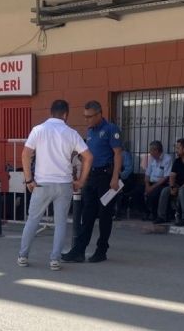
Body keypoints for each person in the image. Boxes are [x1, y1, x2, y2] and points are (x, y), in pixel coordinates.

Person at [18, 100, 93, 270]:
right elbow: (88, 157)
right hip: (64, 184)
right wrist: (81, 181)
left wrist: (29, 179)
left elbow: (26, 154)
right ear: (65, 114)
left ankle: (23, 256)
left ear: (51, 112)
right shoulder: (71, 133)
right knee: (61, 223)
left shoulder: (38, 130)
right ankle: (55, 260)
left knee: (32, 220)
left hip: (42, 183)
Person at [62, 101, 123, 264]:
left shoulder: (111, 129)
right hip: (92, 177)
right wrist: (83, 177)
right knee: (87, 214)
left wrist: (115, 177)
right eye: (85, 116)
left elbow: (118, 154)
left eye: (89, 117)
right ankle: (79, 251)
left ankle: (101, 250)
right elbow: (86, 158)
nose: (86, 120)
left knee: (105, 215)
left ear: (99, 114)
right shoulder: (90, 132)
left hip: (106, 177)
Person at [156, 138, 184, 225]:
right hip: (178, 185)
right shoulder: (177, 161)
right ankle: (161, 217)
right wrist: (172, 187)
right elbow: (172, 176)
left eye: (178, 148)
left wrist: (180, 188)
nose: (176, 150)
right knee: (165, 190)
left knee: (182, 191)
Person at [142, 141, 172, 222]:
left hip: (161, 184)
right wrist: (147, 185)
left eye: (151, 150)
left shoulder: (167, 159)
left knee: (154, 193)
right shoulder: (151, 159)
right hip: (151, 183)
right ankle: (145, 212)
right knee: (137, 191)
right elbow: (147, 174)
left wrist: (152, 187)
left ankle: (153, 214)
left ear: (156, 150)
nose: (150, 152)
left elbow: (166, 177)